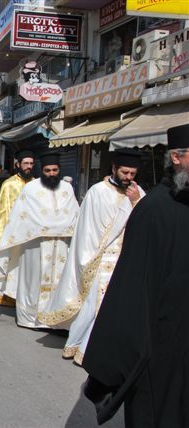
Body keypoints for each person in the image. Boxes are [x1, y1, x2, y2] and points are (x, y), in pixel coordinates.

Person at [81, 124, 189, 426]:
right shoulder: (154, 209)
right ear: (177, 157)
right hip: (162, 352)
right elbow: (130, 293)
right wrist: (107, 371)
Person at [37, 149, 144, 365]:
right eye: (125, 172)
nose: (129, 178)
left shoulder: (138, 192)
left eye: (133, 174)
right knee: (91, 305)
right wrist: (90, 259)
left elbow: (146, 221)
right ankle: (77, 345)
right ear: (114, 168)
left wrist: (137, 203)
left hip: (126, 257)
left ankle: (95, 350)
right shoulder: (98, 192)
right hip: (100, 258)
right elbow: (89, 229)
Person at [0, 152, 79, 329]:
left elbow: (74, 214)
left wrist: (56, 226)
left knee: (59, 279)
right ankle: (30, 317)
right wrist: (52, 225)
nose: (52, 174)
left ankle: (54, 317)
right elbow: (20, 218)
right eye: (47, 170)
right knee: (33, 281)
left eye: (55, 170)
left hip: (60, 245)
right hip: (34, 245)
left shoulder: (67, 189)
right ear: (42, 170)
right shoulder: (30, 189)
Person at [0, 151, 36, 305]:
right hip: (13, 231)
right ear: (18, 165)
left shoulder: (36, 184)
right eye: (26, 163)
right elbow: (1, 211)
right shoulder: (9, 184)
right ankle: (1, 293)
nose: (29, 167)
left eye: (31, 164)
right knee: (9, 264)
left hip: (31, 232)